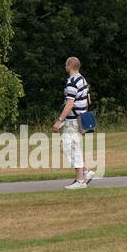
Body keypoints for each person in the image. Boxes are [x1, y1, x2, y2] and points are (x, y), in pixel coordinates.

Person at [52, 56, 97, 189]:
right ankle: (85, 172)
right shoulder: (82, 79)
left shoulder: (72, 81)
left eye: (66, 64)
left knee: (69, 148)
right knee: (72, 147)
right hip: (79, 118)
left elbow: (69, 104)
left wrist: (59, 120)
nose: (65, 67)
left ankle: (80, 180)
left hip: (72, 120)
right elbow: (88, 100)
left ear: (69, 66)